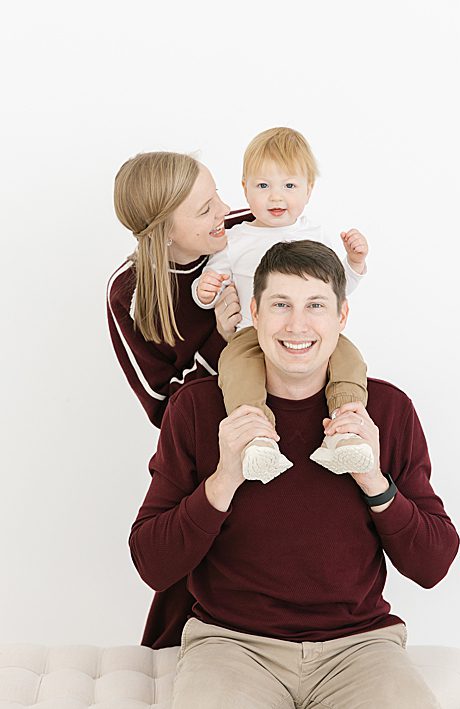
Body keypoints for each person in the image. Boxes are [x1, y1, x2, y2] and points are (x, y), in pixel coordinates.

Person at [130, 240, 457, 707]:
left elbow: (433, 564)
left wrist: (374, 481)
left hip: (359, 647)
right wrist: (224, 478)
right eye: (281, 305)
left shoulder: (387, 409)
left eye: (316, 306)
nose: (297, 325)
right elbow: (152, 563)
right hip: (231, 645)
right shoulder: (198, 409)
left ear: (341, 317)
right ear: (256, 312)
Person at [107, 151, 251, 648]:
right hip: (203, 441)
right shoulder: (128, 292)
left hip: (279, 411)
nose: (227, 211)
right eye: (207, 208)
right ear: (165, 231)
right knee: (195, 548)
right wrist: (219, 341)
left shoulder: (244, 230)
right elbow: (161, 407)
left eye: (218, 197)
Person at [192, 127, 375, 482]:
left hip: (312, 336)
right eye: (263, 186)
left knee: (349, 358)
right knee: (235, 366)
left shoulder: (317, 236)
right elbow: (212, 284)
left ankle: (345, 427)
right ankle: (256, 437)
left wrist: (354, 264)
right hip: (250, 332)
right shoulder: (236, 239)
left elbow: (339, 291)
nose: (276, 196)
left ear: (309, 190)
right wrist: (206, 290)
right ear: (244, 189)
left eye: (289, 186)